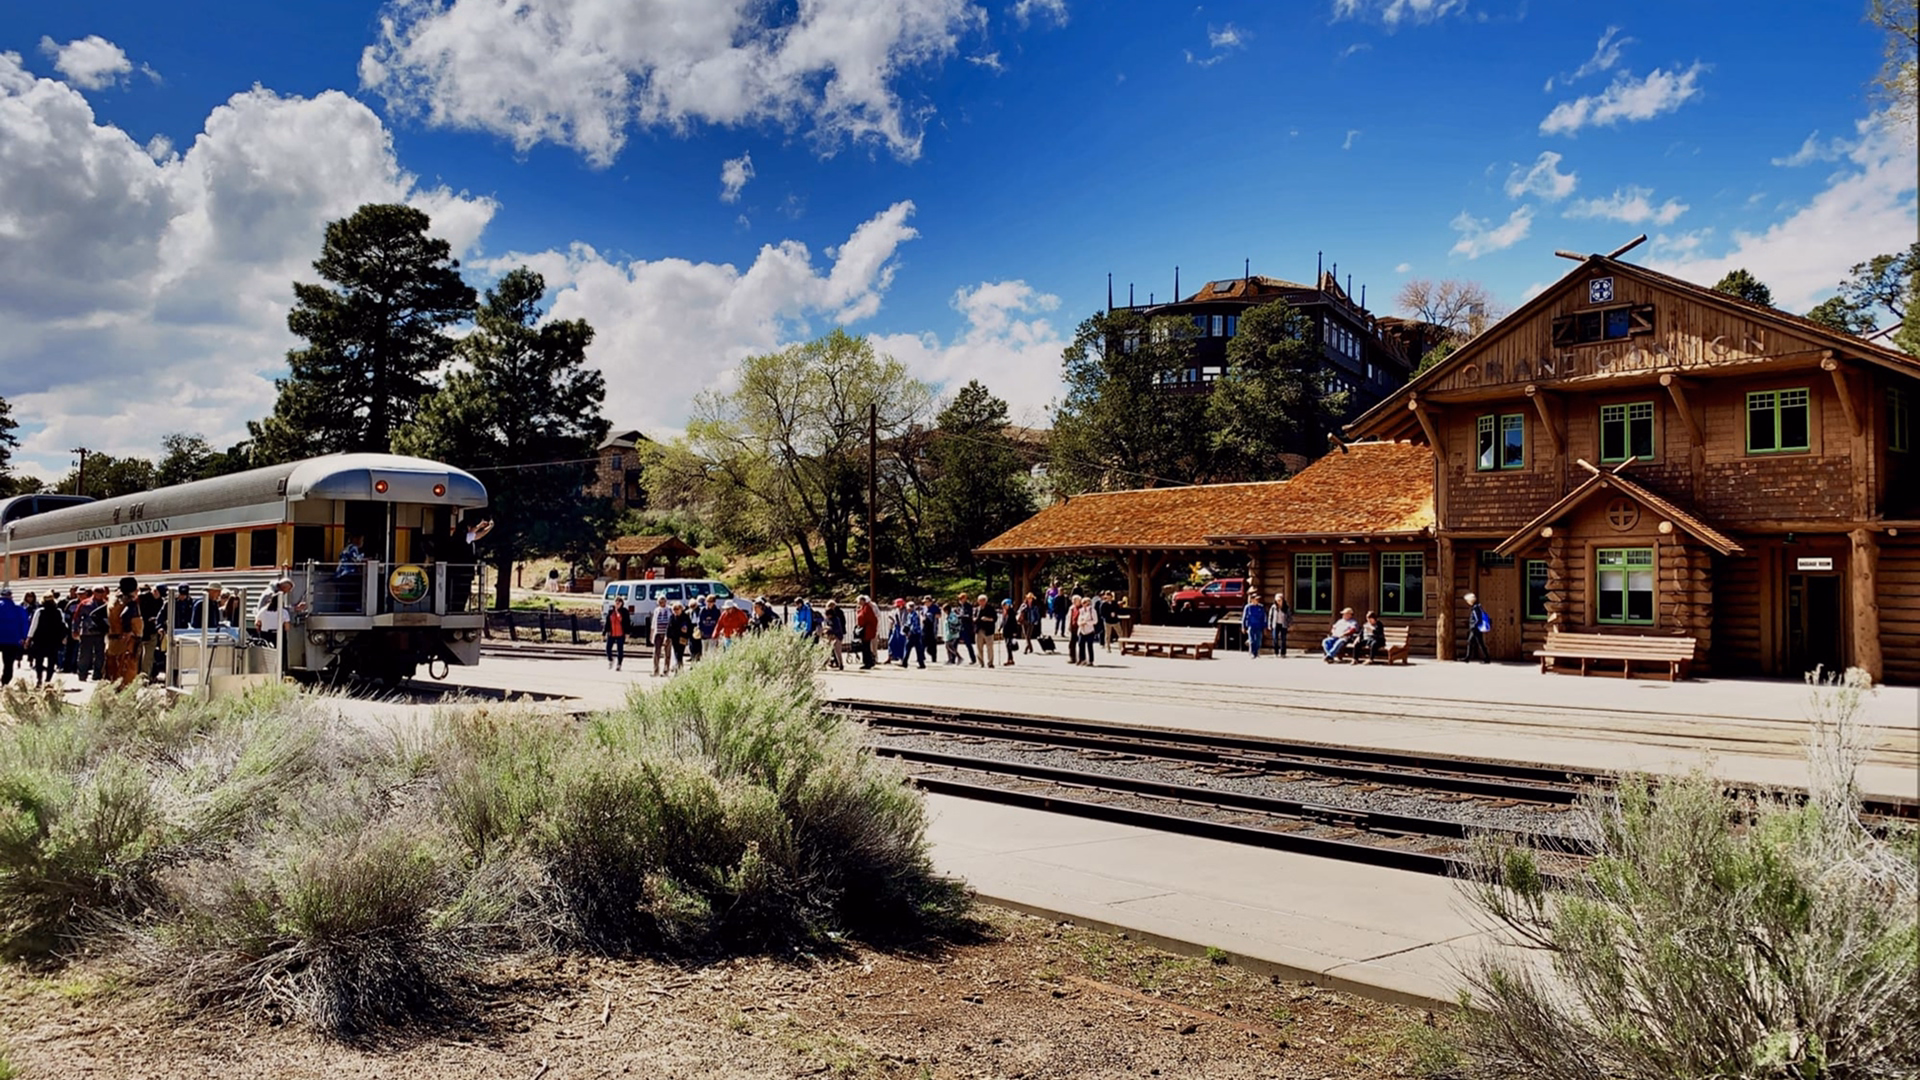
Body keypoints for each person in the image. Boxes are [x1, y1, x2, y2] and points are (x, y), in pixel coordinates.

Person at [103, 577, 145, 689]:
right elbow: (125, 615)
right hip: (128, 644)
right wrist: (128, 631)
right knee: (127, 675)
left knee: (113, 674)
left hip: (113, 641)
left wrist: (109, 629)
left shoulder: (113, 600)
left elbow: (95, 615)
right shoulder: (131, 602)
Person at [28, 595, 66, 686]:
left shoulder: (39, 611)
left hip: (40, 639)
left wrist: (29, 638)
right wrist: (64, 637)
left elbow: (33, 626)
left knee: (39, 660)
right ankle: (48, 680)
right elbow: (63, 625)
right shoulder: (58, 612)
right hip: (53, 639)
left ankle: (39, 679)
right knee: (51, 661)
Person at [76, 586, 110, 681]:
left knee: (100, 654)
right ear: (93, 593)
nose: (99, 594)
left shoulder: (106, 604)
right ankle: (82, 674)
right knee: (85, 655)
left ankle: (97, 674)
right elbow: (77, 617)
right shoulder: (85, 604)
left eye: (101, 592)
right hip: (87, 632)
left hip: (100, 632)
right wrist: (75, 630)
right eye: (97, 592)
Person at [0, 588, 29, 685]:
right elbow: (24, 624)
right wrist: (24, 638)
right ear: (11, 596)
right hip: (13, 640)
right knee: (8, 663)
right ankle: (5, 682)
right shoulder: (19, 609)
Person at [1464, 591, 1492, 663]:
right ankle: (1468, 657)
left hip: (1475, 628)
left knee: (1478, 642)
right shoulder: (1477, 607)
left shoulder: (1475, 608)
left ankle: (1486, 658)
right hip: (1476, 628)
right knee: (1473, 642)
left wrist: (1474, 626)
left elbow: (1477, 618)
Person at [854, 595, 880, 670]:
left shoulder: (867, 608)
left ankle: (867, 662)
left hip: (866, 630)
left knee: (866, 647)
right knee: (866, 647)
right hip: (865, 630)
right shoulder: (863, 608)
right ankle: (868, 661)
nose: (858, 603)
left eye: (859, 601)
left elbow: (867, 618)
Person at [650, 599, 675, 677]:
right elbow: (653, 623)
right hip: (658, 633)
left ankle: (666, 670)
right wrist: (652, 634)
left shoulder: (670, 610)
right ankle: (655, 670)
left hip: (667, 634)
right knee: (656, 652)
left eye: (663, 601)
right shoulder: (656, 610)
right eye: (660, 602)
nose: (662, 603)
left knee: (667, 652)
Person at [1074, 593, 1099, 666]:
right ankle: (1082, 659)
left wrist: (1087, 623)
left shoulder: (1092, 610)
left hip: (1089, 630)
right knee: (1080, 645)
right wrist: (1080, 623)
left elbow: (1095, 621)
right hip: (1082, 630)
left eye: (1086, 603)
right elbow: (1079, 619)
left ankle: (1091, 660)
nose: (1084, 604)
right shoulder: (1081, 610)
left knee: (1089, 646)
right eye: (1083, 603)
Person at [1242, 590, 1268, 659]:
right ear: (1252, 600)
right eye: (1256, 599)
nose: (1257, 600)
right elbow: (1244, 617)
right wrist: (1243, 627)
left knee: (1258, 640)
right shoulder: (1248, 607)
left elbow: (1264, 617)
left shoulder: (1261, 607)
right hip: (1251, 626)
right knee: (1252, 640)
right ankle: (1252, 653)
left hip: (1259, 626)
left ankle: (1257, 652)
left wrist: (1265, 627)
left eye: (1258, 599)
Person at [973, 595, 997, 669]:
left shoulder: (990, 608)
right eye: (979, 600)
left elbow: (994, 618)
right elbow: (973, 617)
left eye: (982, 600)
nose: (981, 602)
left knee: (989, 647)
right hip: (979, 630)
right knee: (979, 647)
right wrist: (974, 619)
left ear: (986, 601)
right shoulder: (977, 609)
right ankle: (981, 663)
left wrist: (987, 619)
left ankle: (990, 663)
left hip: (988, 630)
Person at [605, 598, 629, 671]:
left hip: (620, 633)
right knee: (608, 648)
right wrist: (604, 632)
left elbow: (627, 623)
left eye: (619, 602)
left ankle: (619, 664)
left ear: (622, 603)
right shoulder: (611, 611)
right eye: (616, 602)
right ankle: (611, 660)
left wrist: (627, 633)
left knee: (620, 650)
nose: (617, 603)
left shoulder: (624, 611)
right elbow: (607, 622)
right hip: (611, 633)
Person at [823, 599, 847, 670]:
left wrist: (829, 629)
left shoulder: (836, 619)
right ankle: (824, 664)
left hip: (837, 636)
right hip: (829, 636)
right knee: (827, 651)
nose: (827, 617)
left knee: (838, 651)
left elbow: (837, 628)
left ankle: (841, 664)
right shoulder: (827, 619)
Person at [1271, 591, 1294, 658]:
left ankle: (1283, 653)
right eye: (1277, 600)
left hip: (1283, 624)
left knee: (1283, 639)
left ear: (1282, 600)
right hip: (1275, 624)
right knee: (1275, 638)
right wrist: (1270, 624)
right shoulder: (1273, 607)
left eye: (1279, 600)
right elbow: (1271, 616)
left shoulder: (1286, 607)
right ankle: (1276, 652)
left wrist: (1290, 624)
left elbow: (1289, 616)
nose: (1278, 602)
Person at [1001, 599, 1020, 666]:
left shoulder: (1011, 612)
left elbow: (1014, 623)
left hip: (1010, 631)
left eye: (1005, 605)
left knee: (1009, 645)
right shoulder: (1005, 612)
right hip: (1005, 631)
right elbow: (1003, 621)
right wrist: (1000, 627)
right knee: (1007, 646)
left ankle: (1010, 659)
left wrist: (1015, 632)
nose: (1004, 606)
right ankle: (1010, 659)